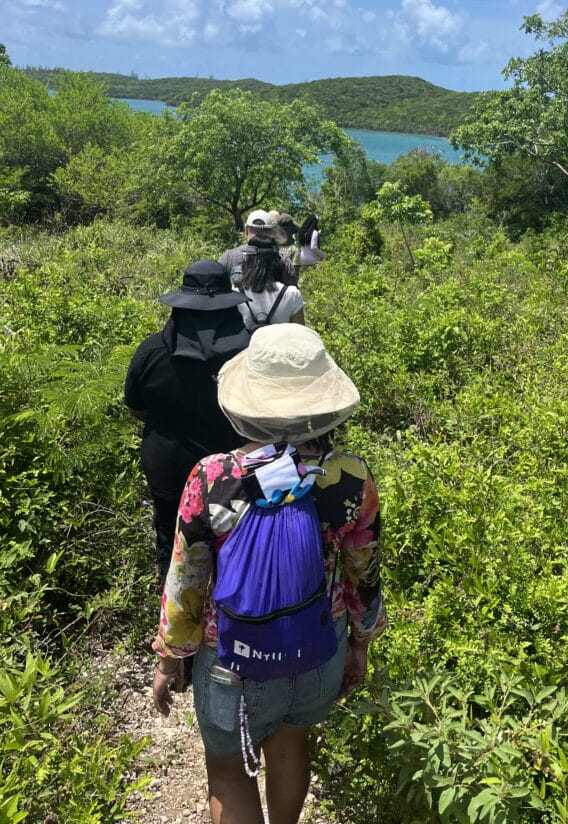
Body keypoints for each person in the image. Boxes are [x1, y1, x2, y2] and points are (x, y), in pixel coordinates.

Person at [152, 324, 386, 824]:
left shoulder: (212, 477)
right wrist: (359, 644)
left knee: (230, 772)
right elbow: (363, 574)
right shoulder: (351, 475)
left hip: (234, 658)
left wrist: (172, 659)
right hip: (318, 647)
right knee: (290, 746)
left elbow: (187, 580)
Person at [124, 260, 250, 582]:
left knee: (171, 538)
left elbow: (137, 408)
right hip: (234, 474)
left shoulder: (151, 352)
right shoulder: (249, 354)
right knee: (232, 545)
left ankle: (173, 613)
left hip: (169, 470)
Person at [238, 224, 305, 331]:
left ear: (247, 261)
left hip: (248, 348)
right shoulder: (291, 294)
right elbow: (300, 334)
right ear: (278, 262)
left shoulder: (236, 293)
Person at [219, 210, 298, 287]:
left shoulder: (229, 257)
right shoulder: (284, 261)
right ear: (271, 231)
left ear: (246, 229)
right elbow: (293, 293)